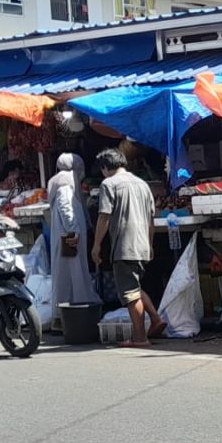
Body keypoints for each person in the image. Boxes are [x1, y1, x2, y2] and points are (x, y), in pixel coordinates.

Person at [91, 148, 165, 348]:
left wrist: (96, 245)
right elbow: (152, 219)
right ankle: (156, 318)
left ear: (106, 167)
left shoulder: (109, 184)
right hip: (142, 244)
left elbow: (104, 216)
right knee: (134, 286)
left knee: (130, 293)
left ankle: (140, 338)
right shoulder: (142, 185)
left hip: (125, 245)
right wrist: (149, 244)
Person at [47, 153, 100, 329]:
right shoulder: (65, 183)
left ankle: (63, 316)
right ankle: (71, 315)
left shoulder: (62, 180)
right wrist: (74, 230)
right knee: (72, 274)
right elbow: (65, 207)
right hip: (69, 237)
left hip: (66, 235)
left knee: (69, 274)